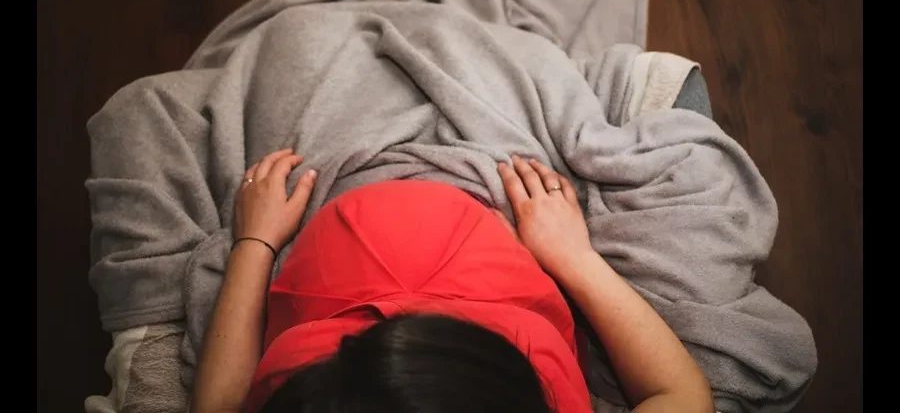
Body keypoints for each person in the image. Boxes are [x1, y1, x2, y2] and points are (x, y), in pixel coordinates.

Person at [191, 149, 715, 413]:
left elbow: (218, 407)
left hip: (335, 256)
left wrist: (254, 243)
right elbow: (682, 393)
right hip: (490, 260)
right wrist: (575, 258)